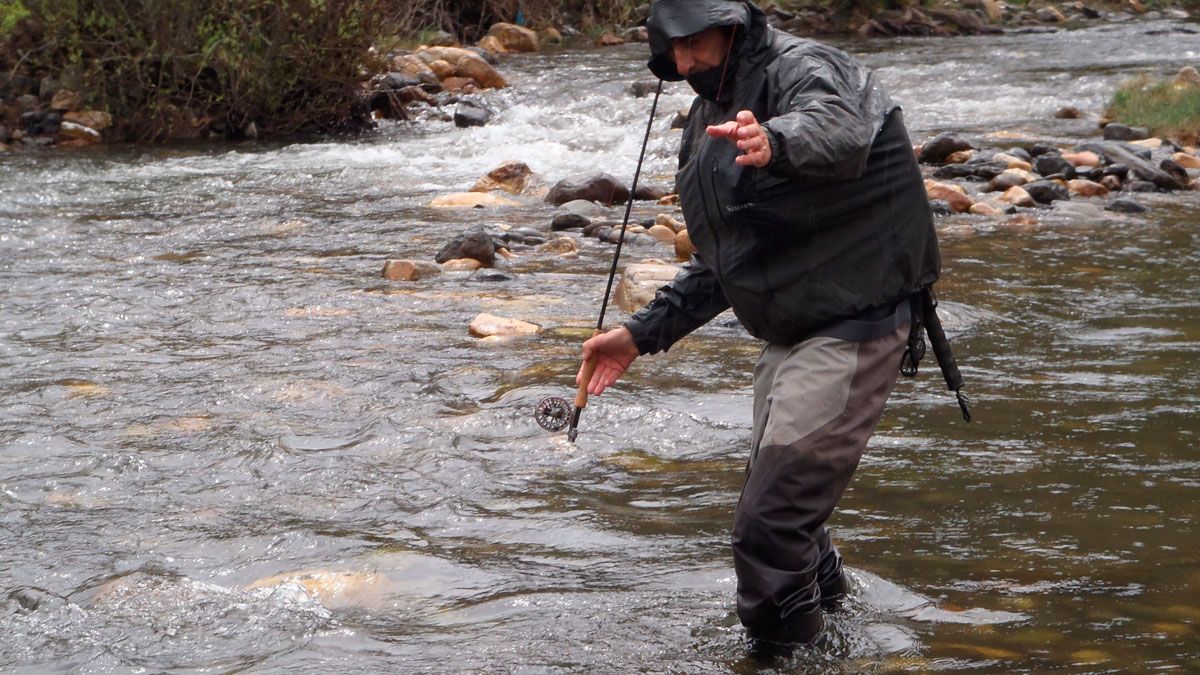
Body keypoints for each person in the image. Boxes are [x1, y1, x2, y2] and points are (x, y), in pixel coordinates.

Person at [575, 0, 947, 654]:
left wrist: (775, 141)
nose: (684, 62)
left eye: (693, 44)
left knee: (768, 526)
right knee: (780, 516)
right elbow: (728, 261)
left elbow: (836, 126)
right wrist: (640, 334)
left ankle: (789, 662)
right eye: (673, 51)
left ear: (730, 25)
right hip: (790, 330)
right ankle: (835, 618)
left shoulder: (805, 68)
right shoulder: (706, 118)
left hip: (856, 322)